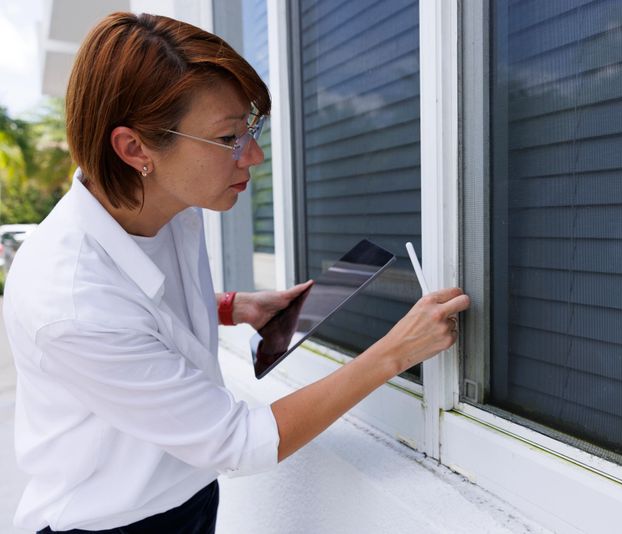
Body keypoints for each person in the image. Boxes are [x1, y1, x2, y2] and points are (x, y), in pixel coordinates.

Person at [2, 12, 469, 533]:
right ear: (136, 149)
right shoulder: (72, 302)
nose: (255, 154)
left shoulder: (168, 199)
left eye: (251, 127)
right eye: (229, 137)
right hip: (110, 524)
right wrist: (397, 351)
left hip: (188, 499)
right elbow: (241, 442)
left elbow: (144, 305)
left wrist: (231, 307)